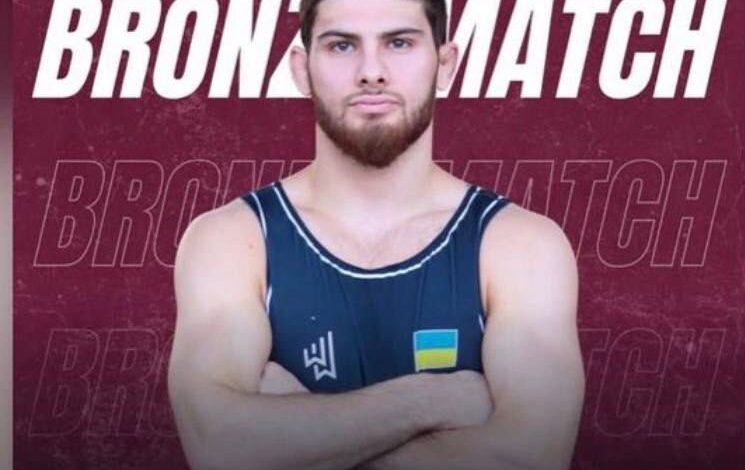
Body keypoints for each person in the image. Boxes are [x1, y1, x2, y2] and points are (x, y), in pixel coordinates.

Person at [168, 0, 585, 469]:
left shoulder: (521, 247)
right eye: (342, 45)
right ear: (302, 70)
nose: (371, 72)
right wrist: (428, 400)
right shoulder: (231, 242)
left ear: (445, 64)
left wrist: (287, 435)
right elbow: (218, 450)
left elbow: (530, 459)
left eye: (399, 43)